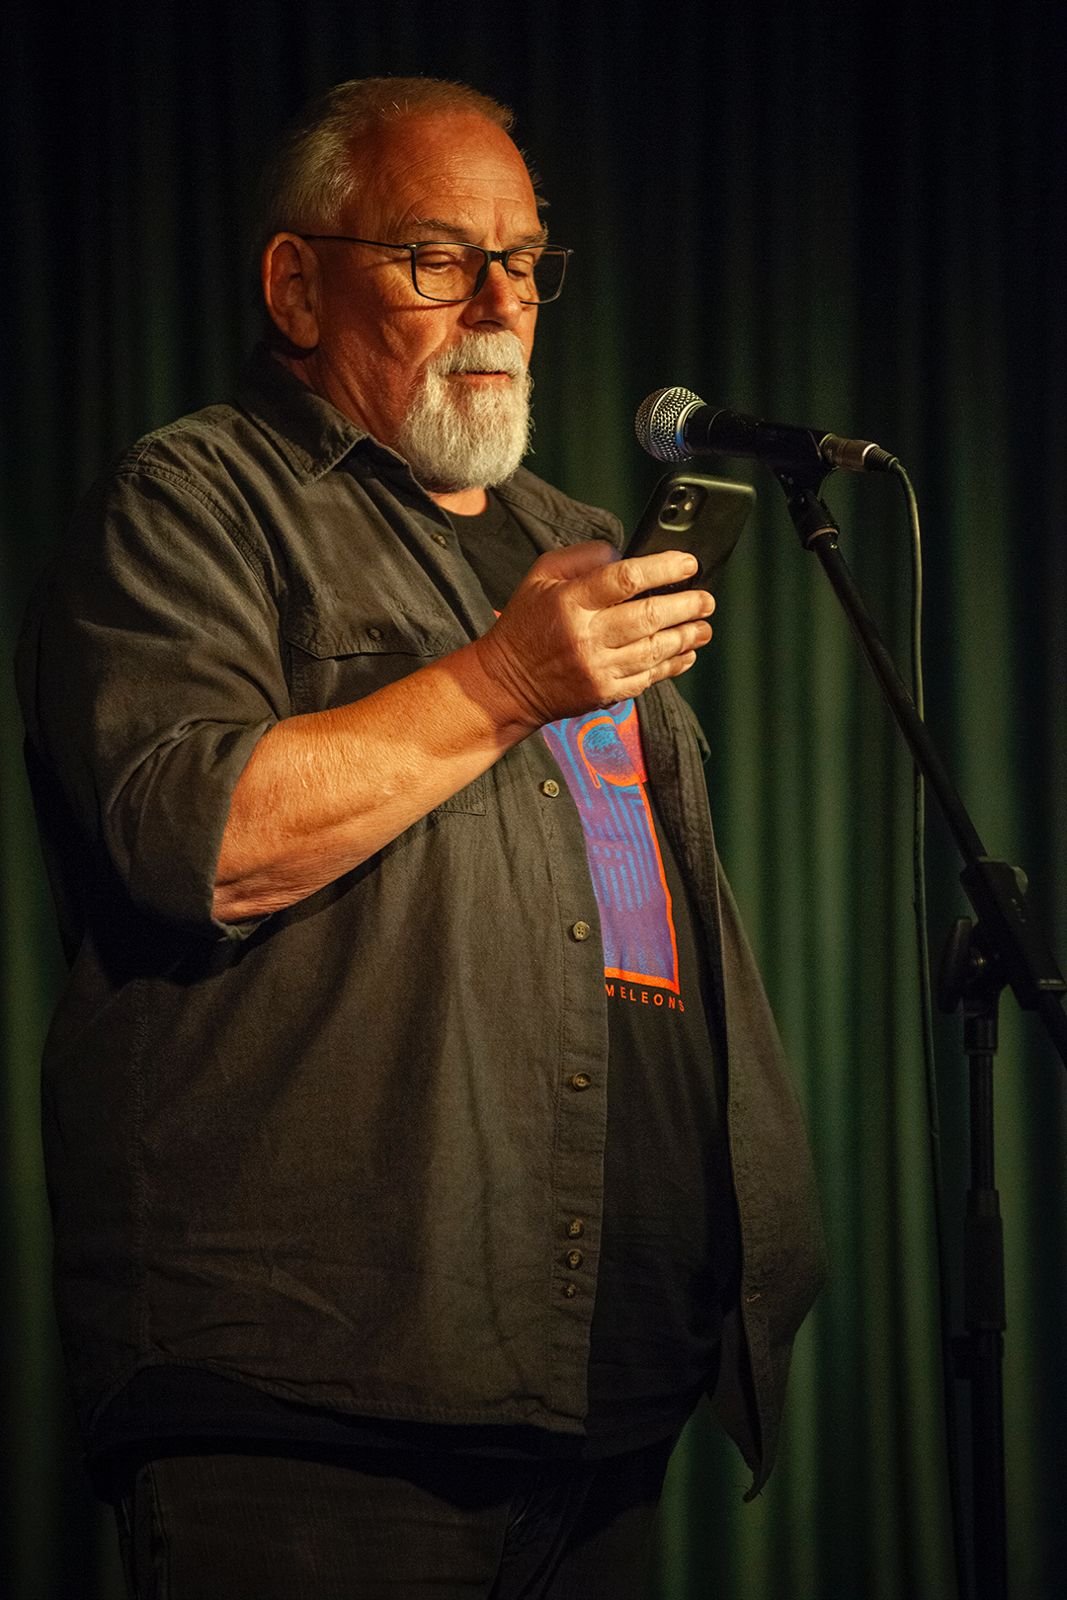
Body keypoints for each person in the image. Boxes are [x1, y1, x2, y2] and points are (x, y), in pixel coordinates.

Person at [16, 76, 825, 1599]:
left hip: (603, 1390)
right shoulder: (195, 498)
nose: (500, 303)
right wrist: (508, 681)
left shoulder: (570, 542)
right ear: (296, 280)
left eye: (525, 261)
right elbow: (196, 837)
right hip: (320, 1392)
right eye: (439, 256)